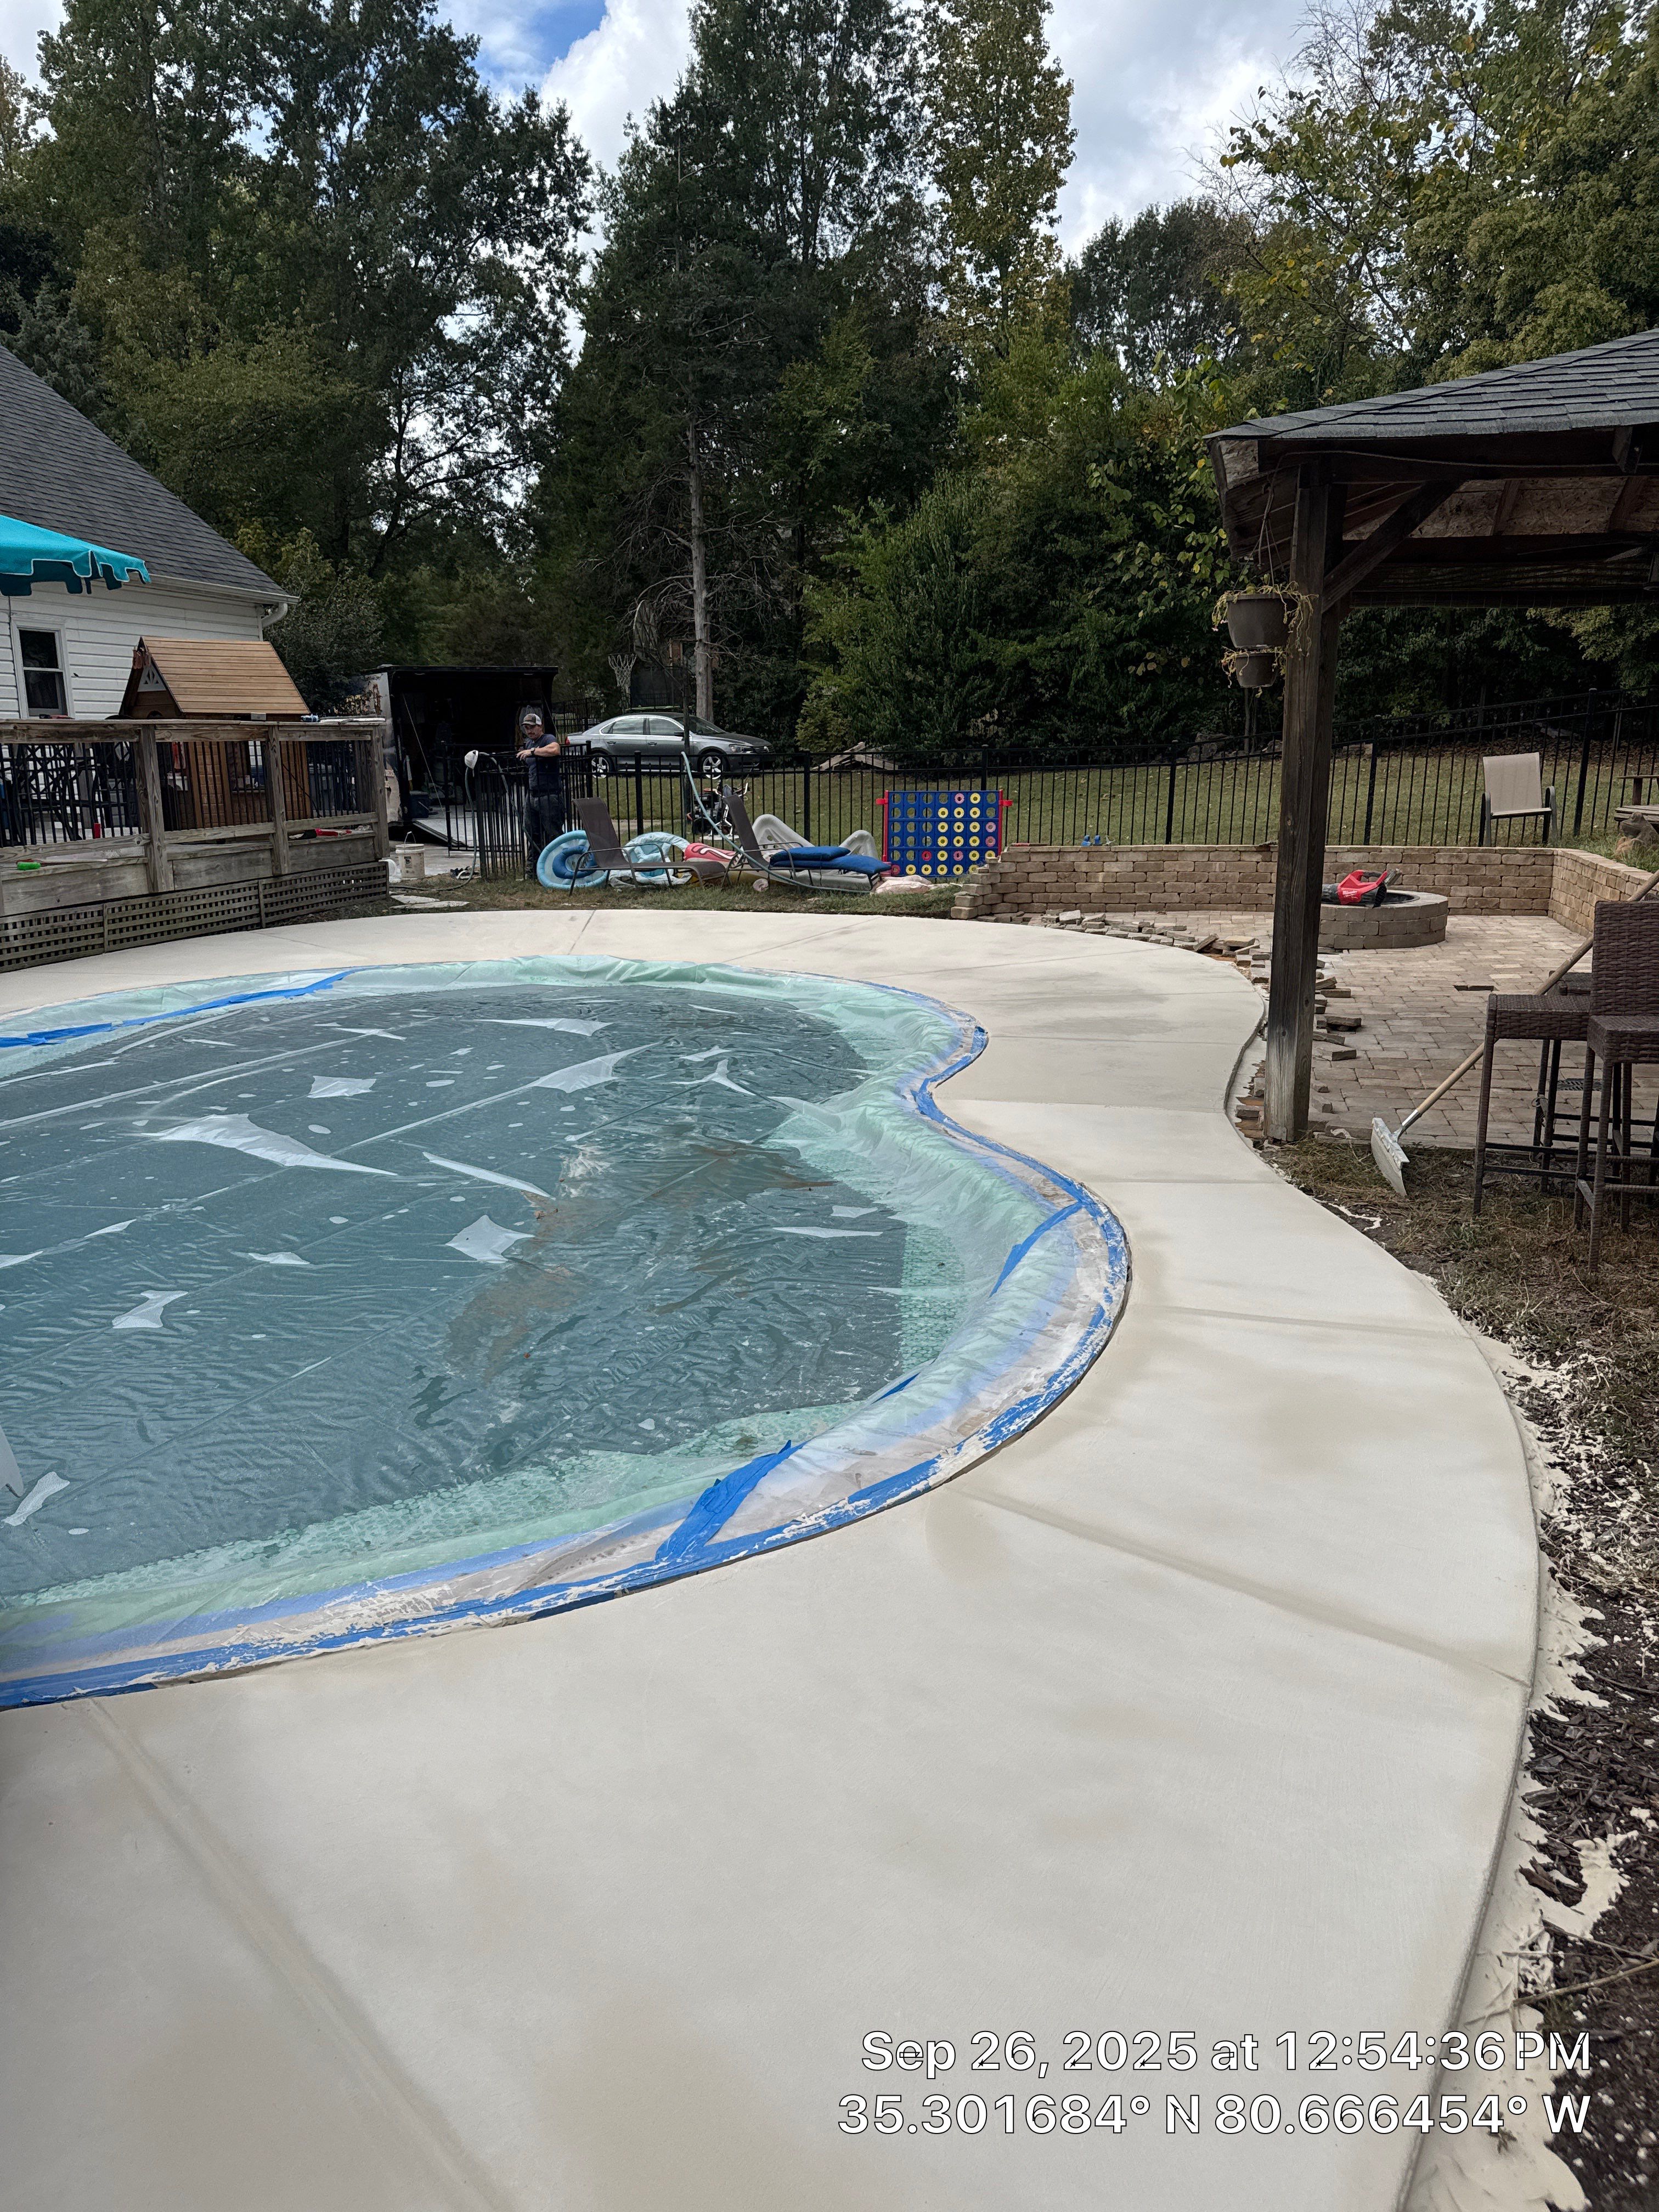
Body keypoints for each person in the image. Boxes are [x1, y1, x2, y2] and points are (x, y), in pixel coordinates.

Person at [516, 706, 566, 876]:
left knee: (554, 835)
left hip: (549, 795)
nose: (529, 731)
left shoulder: (547, 738)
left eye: (532, 727)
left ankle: (559, 871)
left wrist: (533, 751)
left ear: (540, 726)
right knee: (532, 835)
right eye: (526, 728)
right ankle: (533, 872)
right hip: (532, 795)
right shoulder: (529, 743)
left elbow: (555, 749)